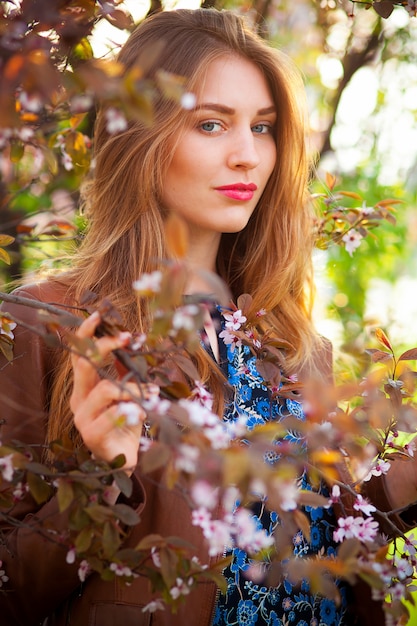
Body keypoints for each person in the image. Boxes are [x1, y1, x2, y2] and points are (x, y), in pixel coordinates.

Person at [1, 8, 417, 626]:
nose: (248, 156)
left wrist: (404, 483)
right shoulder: (49, 327)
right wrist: (101, 476)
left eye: (264, 127)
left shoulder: (297, 346)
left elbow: (319, 545)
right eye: (212, 124)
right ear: (139, 134)